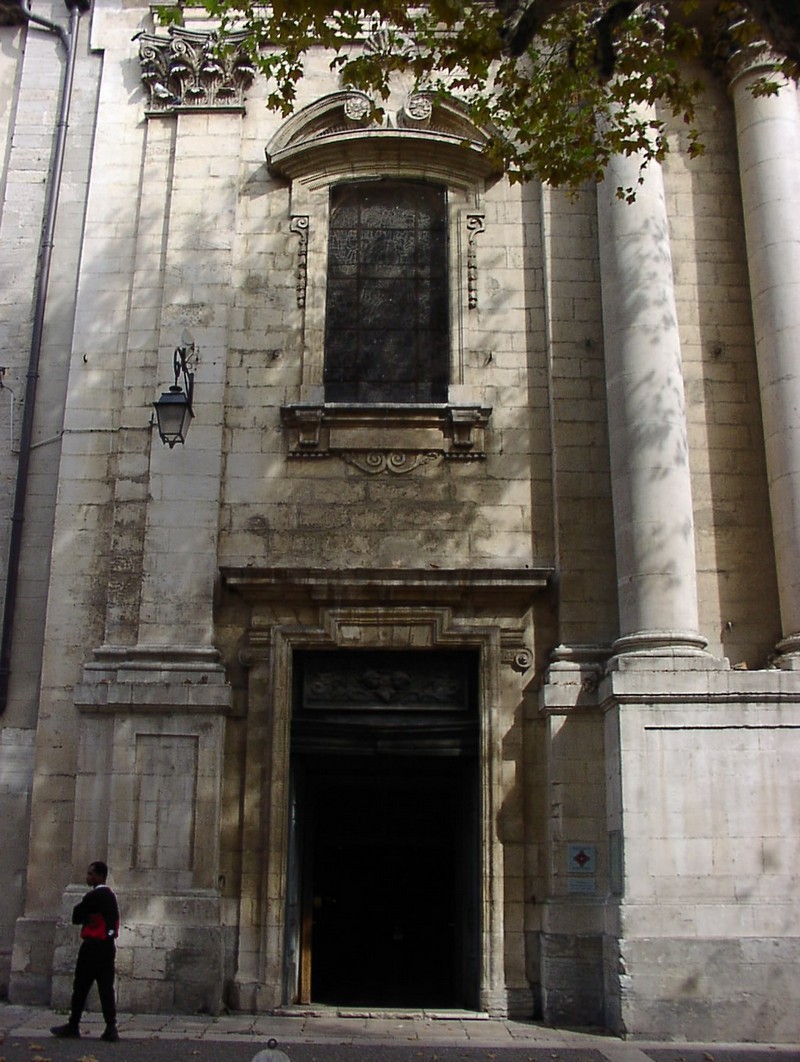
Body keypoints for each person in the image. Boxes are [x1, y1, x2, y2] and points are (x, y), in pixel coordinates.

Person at [50, 860, 120, 1042]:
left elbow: (76, 916)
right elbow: (113, 923)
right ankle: (111, 1026)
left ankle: (73, 1024)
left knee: (81, 986)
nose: (87, 877)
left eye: (90, 874)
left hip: (92, 946)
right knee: (106, 987)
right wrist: (109, 934)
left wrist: (88, 917)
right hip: (107, 946)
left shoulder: (93, 897)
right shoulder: (111, 897)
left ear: (99, 876)